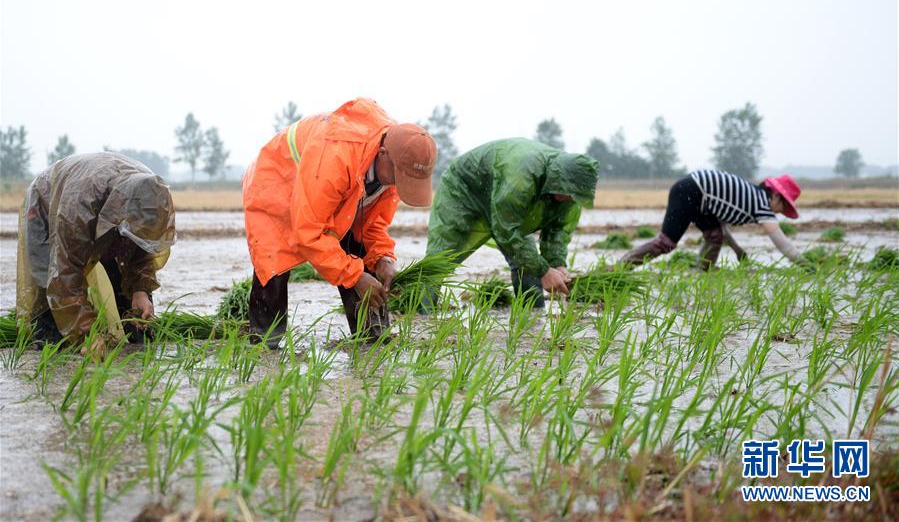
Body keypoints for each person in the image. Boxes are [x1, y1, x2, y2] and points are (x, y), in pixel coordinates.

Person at [242, 97, 437, 347]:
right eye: (400, 178)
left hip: (335, 185)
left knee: (359, 250)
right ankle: (265, 342)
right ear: (383, 155)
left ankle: (373, 337)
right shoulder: (336, 157)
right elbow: (309, 233)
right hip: (278, 180)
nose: (399, 185)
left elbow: (373, 226)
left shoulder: (400, 157)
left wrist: (383, 258)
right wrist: (355, 278)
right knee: (274, 260)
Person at [16, 153, 177, 357]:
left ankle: (134, 340)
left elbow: (141, 243)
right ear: (120, 211)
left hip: (105, 202)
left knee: (132, 309)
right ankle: (52, 345)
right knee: (48, 287)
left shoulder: (150, 196)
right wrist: (88, 334)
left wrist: (140, 291)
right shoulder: (77, 212)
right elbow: (64, 275)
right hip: (48, 201)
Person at [425, 138, 599, 307]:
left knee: (527, 258)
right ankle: (418, 310)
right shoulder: (521, 177)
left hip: (502, 195)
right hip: (465, 188)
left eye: (574, 195)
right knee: (442, 254)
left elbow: (558, 231)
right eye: (567, 192)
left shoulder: (571, 197)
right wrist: (544, 271)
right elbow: (507, 230)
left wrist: (557, 264)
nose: (569, 198)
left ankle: (532, 315)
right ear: (557, 179)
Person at [620, 169, 807, 269]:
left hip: (698, 196)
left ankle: (702, 272)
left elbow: (722, 229)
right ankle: (621, 267)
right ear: (775, 196)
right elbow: (783, 245)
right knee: (665, 243)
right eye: (783, 207)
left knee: (714, 234)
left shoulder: (750, 196)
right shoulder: (761, 205)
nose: (780, 213)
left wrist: (738, 251)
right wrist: (807, 266)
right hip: (691, 191)